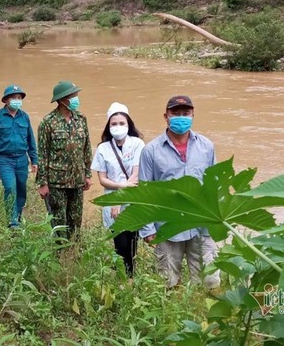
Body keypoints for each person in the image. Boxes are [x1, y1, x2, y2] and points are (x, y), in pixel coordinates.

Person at [139, 95, 220, 289]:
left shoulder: (206, 147)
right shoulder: (151, 151)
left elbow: (214, 185)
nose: (181, 117)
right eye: (176, 113)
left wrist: (218, 220)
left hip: (201, 224)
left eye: (186, 113)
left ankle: (204, 315)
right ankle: (171, 316)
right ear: (165, 116)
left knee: (209, 282)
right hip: (167, 225)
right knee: (167, 282)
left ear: (193, 115)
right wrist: (148, 229)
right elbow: (144, 193)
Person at [91, 102, 145, 276]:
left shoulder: (137, 144)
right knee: (120, 244)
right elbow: (103, 180)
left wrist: (120, 198)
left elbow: (136, 176)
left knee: (132, 242)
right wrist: (119, 194)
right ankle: (123, 278)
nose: (118, 127)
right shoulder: (102, 148)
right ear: (108, 126)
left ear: (129, 125)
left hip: (133, 201)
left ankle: (131, 278)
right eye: (114, 123)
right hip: (112, 204)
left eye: (122, 123)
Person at [37, 81, 92, 240]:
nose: (76, 99)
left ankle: (74, 251)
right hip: (56, 182)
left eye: (76, 95)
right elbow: (43, 154)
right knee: (59, 220)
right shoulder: (48, 122)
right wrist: (43, 182)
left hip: (77, 180)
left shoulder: (81, 119)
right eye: (72, 96)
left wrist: (87, 174)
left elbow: (86, 148)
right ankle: (60, 252)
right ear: (62, 100)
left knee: (76, 219)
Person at [0, 85, 38, 227]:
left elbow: (30, 139)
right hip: (4, 159)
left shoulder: (24, 117)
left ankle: (18, 217)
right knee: (10, 187)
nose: (17, 100)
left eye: (19, 98)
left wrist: (34, 159)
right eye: (14, 97)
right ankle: (12, 222)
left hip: (22, 159)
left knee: (22, 189)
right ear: (6, 100)